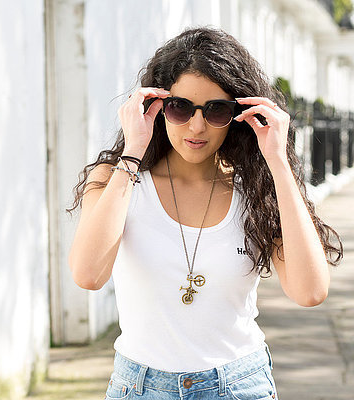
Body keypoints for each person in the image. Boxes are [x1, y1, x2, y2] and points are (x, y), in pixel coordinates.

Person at [66, 26, 343, 400]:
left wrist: (277, 161)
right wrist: (133, 150)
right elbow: (88, 275)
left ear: (238, 113)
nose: (197, 127)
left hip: (240, 386)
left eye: (217, 110)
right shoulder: (120, 180)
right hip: (140, 387)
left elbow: (310, 291)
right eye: (180, 107)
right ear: (156, 106)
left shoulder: (256, 190)